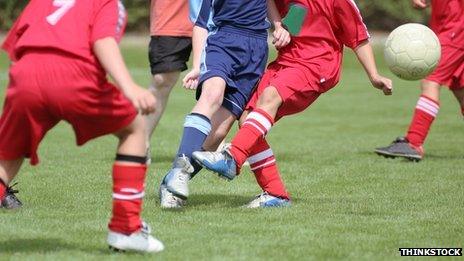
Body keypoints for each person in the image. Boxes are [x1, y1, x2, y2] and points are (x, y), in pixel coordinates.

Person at [192, 0, 393, 207]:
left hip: (317, 65)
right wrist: (282, 30)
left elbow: (358, 37)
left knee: (270, 96)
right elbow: (293, 16)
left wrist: (374, 75)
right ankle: (275, 194)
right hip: (287, 62)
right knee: (247, 117)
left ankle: (233, 158)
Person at [0, 0, 163, 253]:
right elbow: (103, 41)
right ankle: (126, 228)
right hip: (74, 75)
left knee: (10, 154)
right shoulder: (108, 3)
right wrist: (129, 87)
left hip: (25, 76)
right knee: (135, 129)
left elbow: (15, 42)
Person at [159, 0, 291, 208]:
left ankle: (170, 184)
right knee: (213, 94)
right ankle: (179, 170)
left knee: (218, 133)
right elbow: (201, 23)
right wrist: (196, 66)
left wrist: (278, 25)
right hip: (223, 41)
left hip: (256, 51)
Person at [375, 0, 464, 161]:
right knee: (460, 89)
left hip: (456, 27)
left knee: (430, 81)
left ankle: (414, 143)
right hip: (448, 24)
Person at [145, 0, 193, 163]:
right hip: (173, 15)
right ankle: (139, 143)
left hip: (220, 17)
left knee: (219, 79)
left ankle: (218, 145)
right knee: (162, 80)